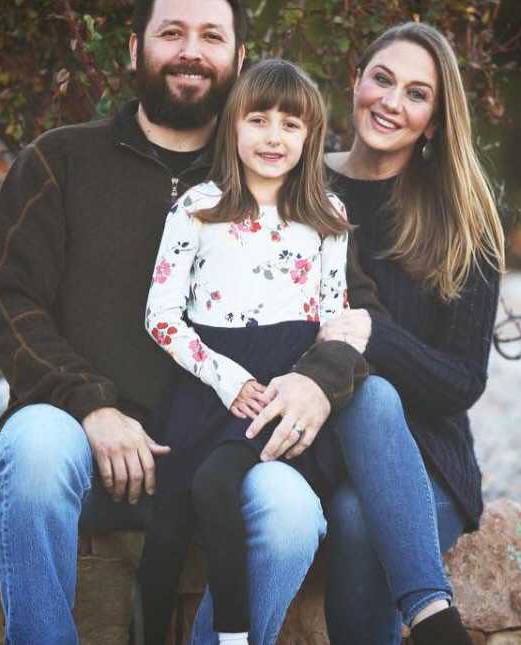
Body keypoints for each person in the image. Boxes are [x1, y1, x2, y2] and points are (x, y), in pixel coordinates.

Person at [0, 1, 374, 643]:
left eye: (211, 35)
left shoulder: (277, 181)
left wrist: (317, 380)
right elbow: (7, 298)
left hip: (228, 438)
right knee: (37, 453)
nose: (191, 50)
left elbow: (355, 308)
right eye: (171, 32)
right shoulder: (59, 162)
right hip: (85, 430)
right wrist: (90, 405)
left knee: (293, 513)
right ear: (134, 49)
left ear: (239, 59)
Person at [244, 21, 506, 645]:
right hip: (305, 440)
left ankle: (428, 617)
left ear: (436, 120)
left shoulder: (463, 218)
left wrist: (371, 334)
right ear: (356, 80)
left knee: (362, 519)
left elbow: (462, 383)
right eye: (382, 80)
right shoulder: (291, 180)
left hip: (422, 456)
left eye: (417, 94)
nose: (392, 102)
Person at [138, 58, 355, 645]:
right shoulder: (198, 208)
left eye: (291, 124)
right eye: (258, 119)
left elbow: (334, 322)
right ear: (233, 126)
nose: (274, 136)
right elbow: (160, 316)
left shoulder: (328, 218)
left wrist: (307, 387)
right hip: (208, 388)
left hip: (276, 396)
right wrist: (224, 376)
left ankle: (232, 635)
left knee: (215, 484)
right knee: (165, 535)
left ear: (311, 136)